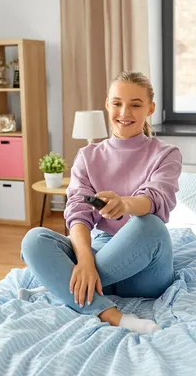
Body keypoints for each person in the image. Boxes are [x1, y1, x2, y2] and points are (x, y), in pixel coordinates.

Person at [19, 71, 182, 334]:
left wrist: (124, 205)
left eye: (135, 104)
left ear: (150, 109)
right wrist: (83, 260)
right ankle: (111, 314)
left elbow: (156, 198)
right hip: (102, 252)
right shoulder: (87, 155)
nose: (124, 112)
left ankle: (60, 283)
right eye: (117, 103)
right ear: (107, 104)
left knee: (149, 224)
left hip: (146, 267)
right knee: (34, 240)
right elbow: (78, 213)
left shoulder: (166, 154)